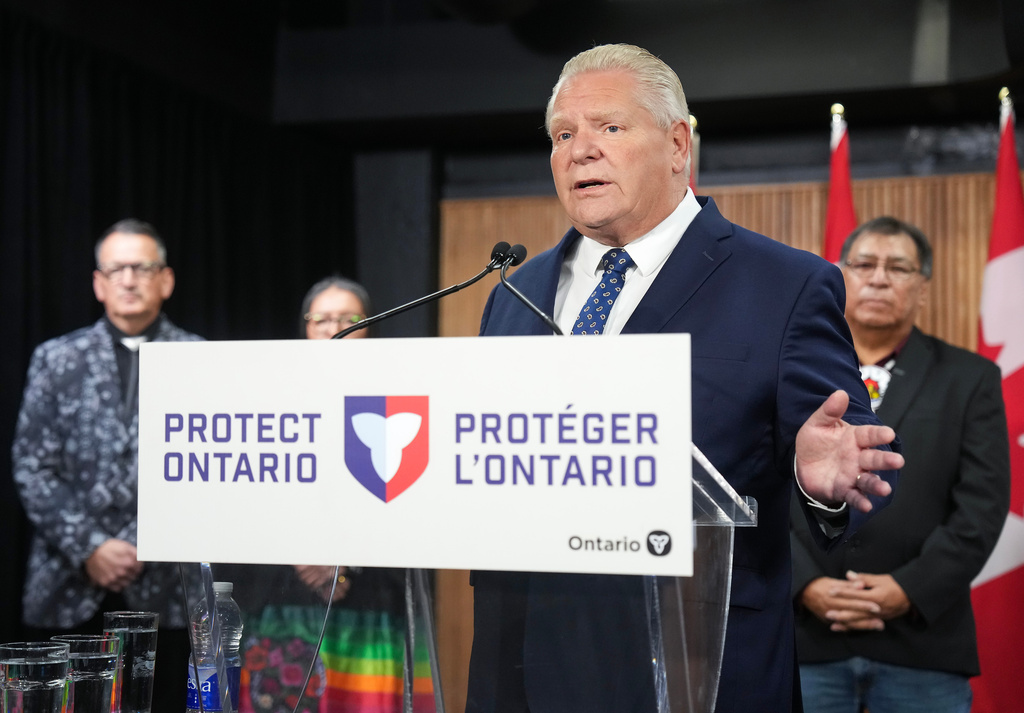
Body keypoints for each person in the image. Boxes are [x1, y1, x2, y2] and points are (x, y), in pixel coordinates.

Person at [467, 44, 903, 713]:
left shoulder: (784, 285)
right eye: (562, 135)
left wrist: (819, 483)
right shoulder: (514, 293)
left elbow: (851, 455)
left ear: (677, 145)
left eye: (609, 127)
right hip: (524, 662)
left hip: (694, 661)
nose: (580, 151)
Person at [790, 217, 1010, 713]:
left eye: (898, 268)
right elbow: (755, 484)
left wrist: (909, 588)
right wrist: (804, 584)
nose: (879, 278)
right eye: (864, 264)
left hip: (923, 642)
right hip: (803, 637)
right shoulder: (791, 370)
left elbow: (982, 507)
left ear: (923, 288)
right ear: (839, 276)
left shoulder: (970, 378)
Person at [12, 218, 202, 712]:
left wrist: (143, 542)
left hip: (167, 593)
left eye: (143, 267)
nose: (129, 279)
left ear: (166, 280)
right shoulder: (57, 358)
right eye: (116, 269)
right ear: (99, 283)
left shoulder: (201, 359)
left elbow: (208, 469)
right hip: (68, 585)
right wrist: (91, 546)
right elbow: (32, 467)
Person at [233, 276, 434, 713]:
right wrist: (300, 554)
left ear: (370, 327)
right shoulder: (269, 399)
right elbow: (252, 492)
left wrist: (344, 565)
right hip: (284, 598)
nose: (334, 329)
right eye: (321, 319)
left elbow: (409, 499)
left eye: (348, 319)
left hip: (370, 600)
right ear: (305, 328)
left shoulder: (399, 398)